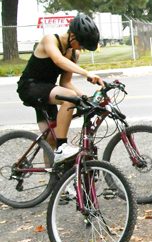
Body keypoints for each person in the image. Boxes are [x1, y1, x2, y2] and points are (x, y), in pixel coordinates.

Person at [16, 13, 104, 163]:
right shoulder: (49, 40)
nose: (82, 48)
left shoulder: (73, 53)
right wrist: (86, 73)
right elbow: (58, 60)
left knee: (50, 140)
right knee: (69, 98)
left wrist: (85, 98)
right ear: (73, 36)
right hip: (30, 87)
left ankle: (52, 175)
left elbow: (65, 83)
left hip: (48, 91)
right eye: (82, 44)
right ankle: (62, 147)